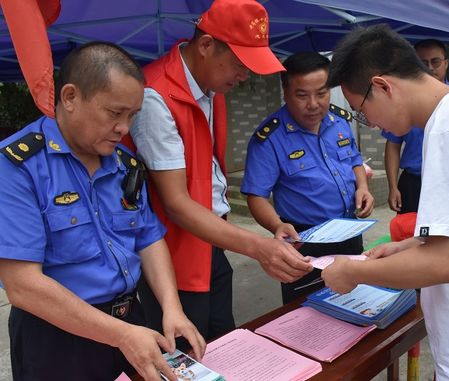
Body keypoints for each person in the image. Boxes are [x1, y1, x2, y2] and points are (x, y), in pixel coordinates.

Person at [0, 42, 205, 381]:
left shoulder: (124, 164)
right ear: (70, 97)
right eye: (114, 113)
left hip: (131, 322)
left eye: (132, 116)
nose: (124, 128)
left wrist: (172, 307)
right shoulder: (18, 166)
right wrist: (120, 334)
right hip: (58, 336)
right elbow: (22, 284)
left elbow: (148, 238)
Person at [128, 0, 312, 344]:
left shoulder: (211, 88)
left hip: (211, 241)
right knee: (186, 354)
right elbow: (177, 203)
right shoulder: (155, 97)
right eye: (240, 63)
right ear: (207, 45)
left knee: (223, 345)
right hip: (175, 256)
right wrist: (259, 247)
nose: (244, 76)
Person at [323, 24, 449, 380]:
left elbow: (448, 262)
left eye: (361, 111)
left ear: (384, 86)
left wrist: (353, 272)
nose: (370, 124)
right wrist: (412, 245)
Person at [240, 52, 374, 304]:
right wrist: (277, 225)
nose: (313, 104)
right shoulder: (269, 138)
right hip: (304, 240)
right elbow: (256, 196)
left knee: (355, 303)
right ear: (285, 92)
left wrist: (363, 187)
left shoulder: (340, 121)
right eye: (302, 95)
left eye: (321, 93)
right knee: (307, 311)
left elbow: (355, 160)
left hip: (349, 233)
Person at [382, 39, 449, 213]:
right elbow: (393, 145)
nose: (430, 68)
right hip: (413, 184)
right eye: (423, 63)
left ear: (446, 63)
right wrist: (393, 186)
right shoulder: (400, 101)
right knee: (408, 234)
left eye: (435, 62)